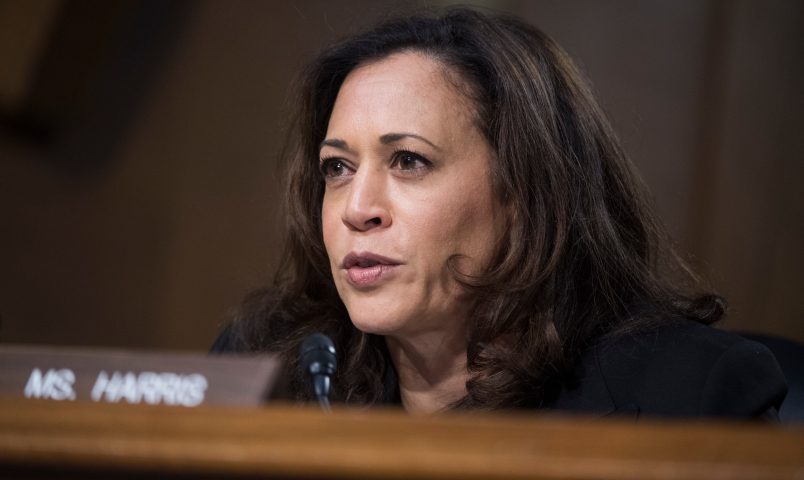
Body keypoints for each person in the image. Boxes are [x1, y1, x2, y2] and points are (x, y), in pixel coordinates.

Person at [211, 7, 787, 418]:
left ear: (523, 193)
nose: (357, 209)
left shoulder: (690, 394)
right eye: (338, 169)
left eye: (409, 161)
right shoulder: (267, 364)